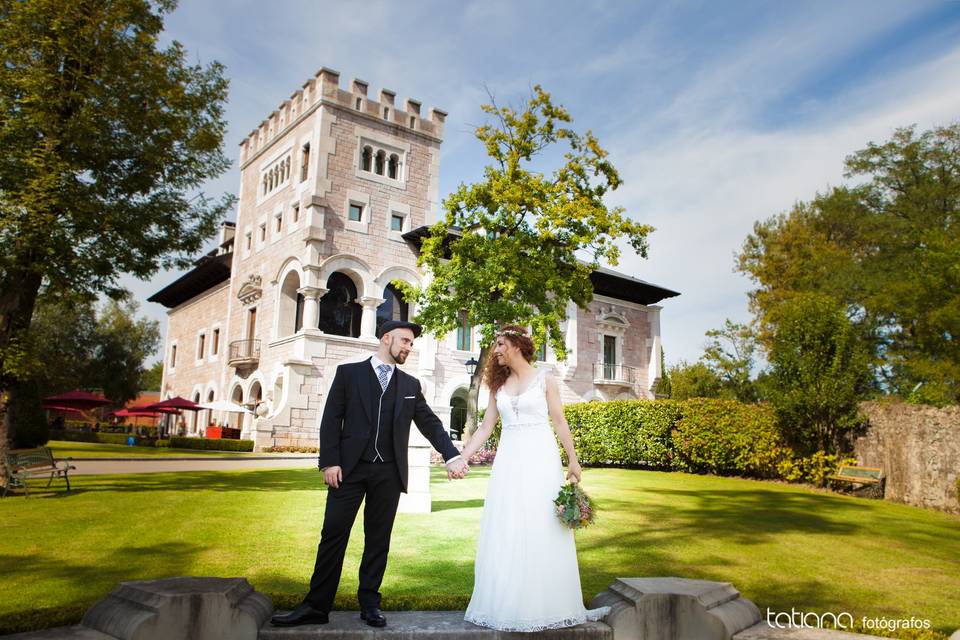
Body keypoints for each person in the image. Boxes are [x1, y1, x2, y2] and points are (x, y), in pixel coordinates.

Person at [271, 320, 469, 628]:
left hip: (388, 473)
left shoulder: (410, 385)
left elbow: (430, 423)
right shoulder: (349, 374)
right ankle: (316, 606)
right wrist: (330, 462)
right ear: (386, 338)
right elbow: (331, 419)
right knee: (333, 536)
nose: (408, 347)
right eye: (404, 341)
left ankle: (370, 604)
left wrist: (452, 454)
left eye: (411, 344)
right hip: (348, 470)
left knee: (378, 540)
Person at [460, 324, 610, 632]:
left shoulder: (546, 379)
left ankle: (550, 604)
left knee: (543, 526)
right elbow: (486, 427)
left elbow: (559, 420)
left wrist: (573, 460)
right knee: (508, 526)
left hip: (540, 458)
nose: (496, 350)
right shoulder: (497, 384)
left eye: (500, 344)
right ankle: (508, 603)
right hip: (508, 463)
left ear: (516, 345)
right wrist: (463, 456)